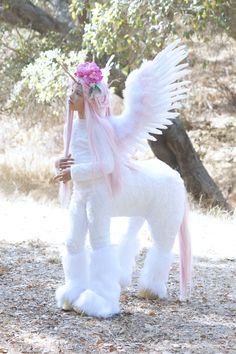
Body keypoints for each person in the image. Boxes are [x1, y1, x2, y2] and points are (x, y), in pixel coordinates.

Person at [54, 41, 192, 318]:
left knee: (100, 240)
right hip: (83, 193)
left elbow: (105, 164)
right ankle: (76, 285)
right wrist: (60, 164)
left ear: (90, 97)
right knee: (71, 240)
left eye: (77, 91)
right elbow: (74, 158)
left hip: (98, 193)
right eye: (71, 90)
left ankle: (107, 295)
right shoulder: (77, 127)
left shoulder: (104, 129)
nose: (71, 96)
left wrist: (74, 172)